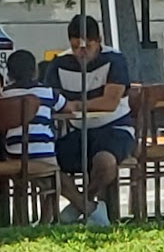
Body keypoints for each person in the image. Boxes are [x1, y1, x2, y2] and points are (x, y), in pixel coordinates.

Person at [47, 14, 132, 227]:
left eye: (87, 47)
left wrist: (76, 105)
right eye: (75, 47)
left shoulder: (115, 60)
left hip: (115, 128)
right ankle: (87, 207)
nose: (81, 53)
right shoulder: (59, 63)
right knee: (47, 163)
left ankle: (81, 203)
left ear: (98, 41)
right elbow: (52, 98)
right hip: (77, 130)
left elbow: (110, 102)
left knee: (105, 162)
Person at [0, 50, 60, 161]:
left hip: (14, 156)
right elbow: (70, 107)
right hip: (45, 155)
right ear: (35, 72)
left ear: (9, 75)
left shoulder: (5, 94)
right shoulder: (48, 92)